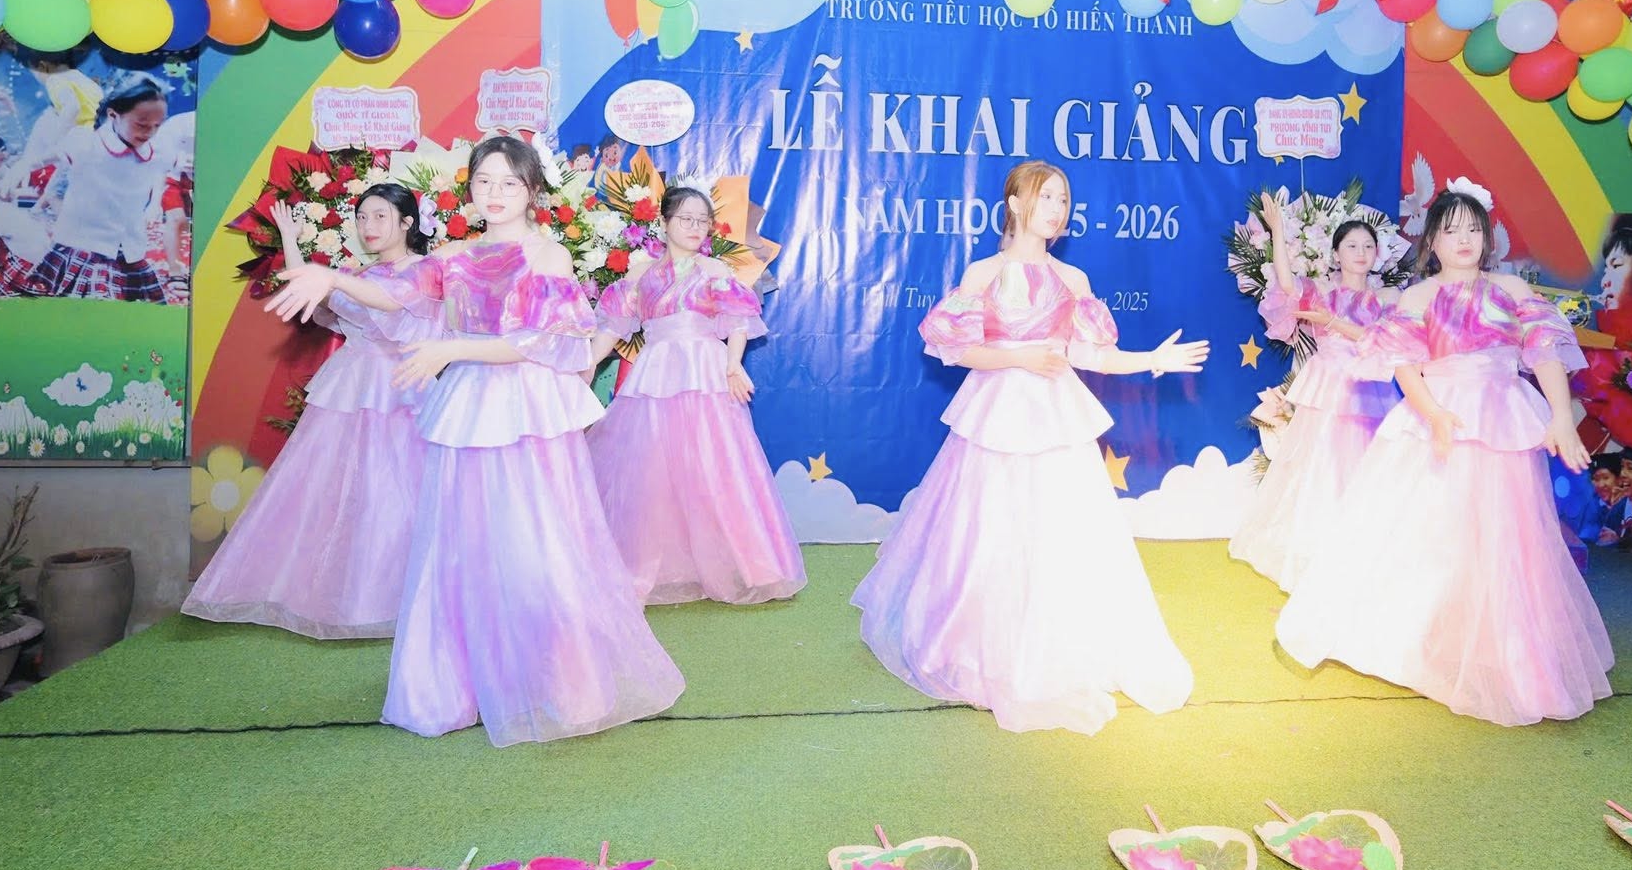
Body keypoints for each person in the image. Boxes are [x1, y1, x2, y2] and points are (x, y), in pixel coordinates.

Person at [265, 136, 685, 745]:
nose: (494, 193)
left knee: (535, 545)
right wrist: (331, 275)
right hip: (466, 407)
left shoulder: (548, 256)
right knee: (460, 547)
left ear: (532, 191)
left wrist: (452, 348)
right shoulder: (453, 255)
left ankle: (560, 685)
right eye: (484, 181)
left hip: (524, 409)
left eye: (508, 183)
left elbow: (540, 341)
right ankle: (453, 687)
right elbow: (394, 292)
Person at [851, 160, 1208, 735]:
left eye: (1063, 200)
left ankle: (1056, 646)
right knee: (989, 532)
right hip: (996, 414)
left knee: (1060, 532)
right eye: (1046, 198)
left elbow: (1090, 354)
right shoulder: (983, 273)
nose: (1057, 209)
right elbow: (958, 351)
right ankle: (979, 649)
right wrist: (1019, 356)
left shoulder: (1073, 280)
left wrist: (1152, 359)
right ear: (1016, 204)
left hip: (1056, 418)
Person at [1274, 180, 1613, 727]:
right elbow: (1404, 362)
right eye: (1452, 230)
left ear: (1488, 238)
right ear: (1432, 239)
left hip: (1502, 418)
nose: (1464, 240)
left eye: (1474, 229)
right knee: (1434, 530)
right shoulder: (1417, 296)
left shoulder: (1512, 289)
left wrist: (1559, 416)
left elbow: (1545, 350)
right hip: (1439, 419)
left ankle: (1511, 652)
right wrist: (1432, 412)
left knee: (1506, 535)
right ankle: (1425, 636)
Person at [186, 186, 438, 638]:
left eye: (381, 216)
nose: (369, 226)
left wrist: (332, 278)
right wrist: (290, 240)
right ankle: (334, 598)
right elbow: (313, 291)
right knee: (331, 491)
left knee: (397, 494)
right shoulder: (357, 272)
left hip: (400, 387)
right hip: (349, 386)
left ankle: (403, 600)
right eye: (362, 217)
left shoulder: (422, 270)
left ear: (407, 223)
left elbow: (388, 301)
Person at [587, 186, 805, 605]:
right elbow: (612, 327)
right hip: (655, 373)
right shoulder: (640, 274)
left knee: (715, 464)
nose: (694, 227)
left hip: (705, 370)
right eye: (685, 218)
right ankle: (656, 565)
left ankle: (747, 565)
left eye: (702, 220)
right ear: (664, 222)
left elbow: (737, 321)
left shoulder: (715, 270)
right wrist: (588, 365)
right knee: (651, 468)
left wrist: (733, 364)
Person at [1227, 194, 1397, 591]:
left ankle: (1364, 551)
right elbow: (1286, 284)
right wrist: (1277, 231)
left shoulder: (1388, 298)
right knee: (1323, 466)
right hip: (1328, 389)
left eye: (1368, 246)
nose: (1361, 253)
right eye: (1351, 246)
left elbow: (1385, 340)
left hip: (1371, 390)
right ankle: (1319, 553)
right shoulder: (1321, 291)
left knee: (1368, 467)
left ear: (1377, 254)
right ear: (1336, 254)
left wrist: (1335, 323)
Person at [6, 74, 189, 302]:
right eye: (141, 124)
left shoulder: (157, 149)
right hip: (84, 244)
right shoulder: (87, 143)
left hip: (128, 246)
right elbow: (41, 159)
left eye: (157, 125)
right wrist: (15, 172)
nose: (149, 132)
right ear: (113, 115)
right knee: (91, 304)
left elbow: (172, 166)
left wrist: (156, 203)